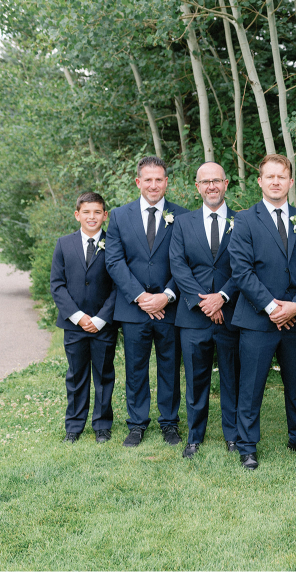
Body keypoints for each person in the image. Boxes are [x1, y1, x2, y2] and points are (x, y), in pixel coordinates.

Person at [228, 154, 296, 470]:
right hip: (257, 318)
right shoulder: (243, 220)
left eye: (282, 176)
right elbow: (241, 270)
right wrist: (271, 307)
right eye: (270, 176)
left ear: (290, 182)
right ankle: (247, 445)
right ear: (260, 181)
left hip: (295, 319)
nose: (276, 182)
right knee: (251, 386)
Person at [105, 156, 188, 447]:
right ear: (138, 182)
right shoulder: (118, 216)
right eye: (148, 179)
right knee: (135, 368)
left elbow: (189, 262)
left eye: (159, 179)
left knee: (169, 366)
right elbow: (114, 261)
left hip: (171, 307)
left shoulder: (183, 216)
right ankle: (137, 423)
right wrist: (141, 297)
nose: (154, 185)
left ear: (167, 182)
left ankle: (169, 423)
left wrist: (166, 295)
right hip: (133, 308)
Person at [169, 162, 241, 459]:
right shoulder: (183, 223)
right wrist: (204, 302)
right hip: (193, 317)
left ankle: (233, 435)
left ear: (226, 184)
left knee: (231, 377)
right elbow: (178, 265)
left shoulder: (243, 221)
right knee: (196, 378)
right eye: (205, 181)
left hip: (231, 313)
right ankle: (194, 436)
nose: (211, 186)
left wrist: (222, 297)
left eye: (216, 181)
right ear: (196, 187)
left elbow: (245, 266)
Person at [50, 192, 118, 444]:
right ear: (77, 214)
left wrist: (100, 319)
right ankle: (74, 425)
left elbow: (118, 286)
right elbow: (57, 285)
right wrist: (78, 317)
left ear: (105, 215)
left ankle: (102, 424)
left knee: (103, 374)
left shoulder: (114, 244)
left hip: (104, 324)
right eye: (86, 212)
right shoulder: (64, 244)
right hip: (74, 324)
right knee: (76, 375)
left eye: (97, 212)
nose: (92, 217)